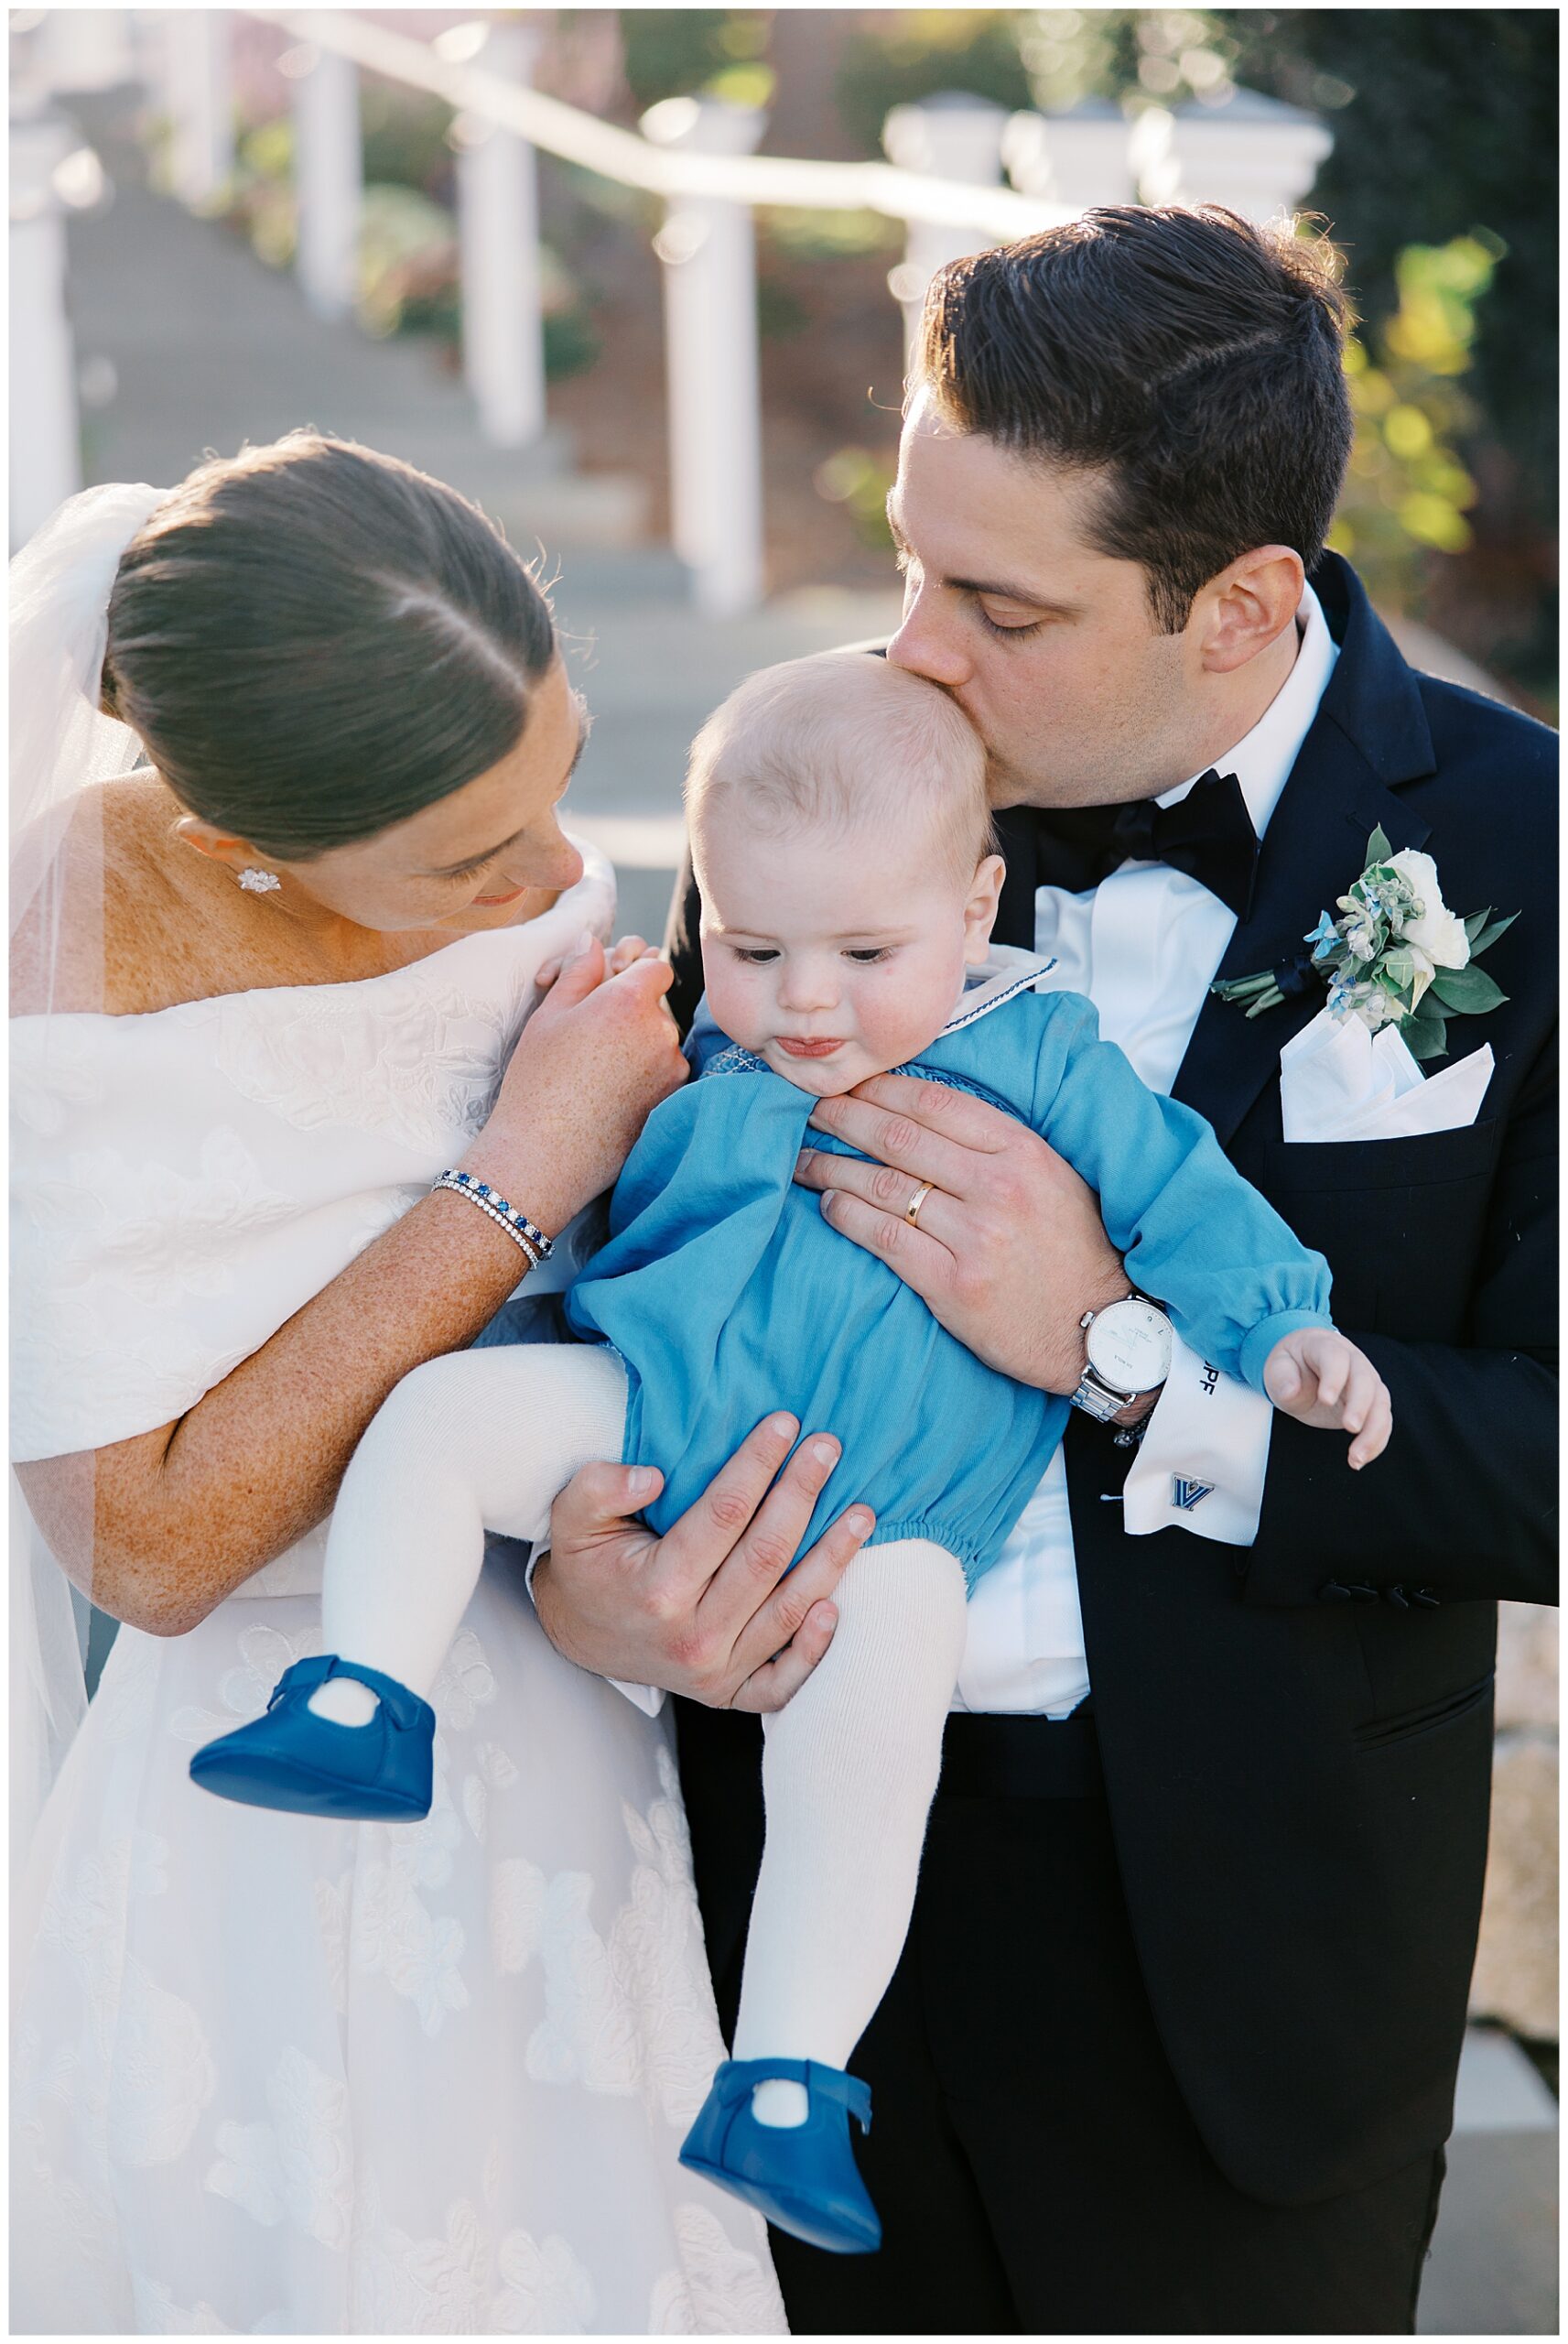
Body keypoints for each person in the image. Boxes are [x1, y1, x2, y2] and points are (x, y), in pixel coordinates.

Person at [534, 206, 1558, 2333]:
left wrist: (1117, 1345)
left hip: (1244, 1980)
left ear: (1237, 604)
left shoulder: (1516, 858)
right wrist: (584, 1580)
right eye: (909, 563)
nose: (914, 651)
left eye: (996, 605)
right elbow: (633, 1244)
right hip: (770, 1918)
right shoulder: (819, 770)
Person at [189, 649, 1390, 2258]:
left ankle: (786, 2081)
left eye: (863, 954)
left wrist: (1283, 1326)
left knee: (862, 1777)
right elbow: (598, 1201)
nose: (805, 1000)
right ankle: (365, 1695)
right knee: (436, 1422)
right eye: (754, 948)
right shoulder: (704, 1042)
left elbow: (1182, 1196)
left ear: (972, 908)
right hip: (650, 1408)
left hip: (891, 1525)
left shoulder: (1037, 1049)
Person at [8, 433, 854, 2335]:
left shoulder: (509, 851)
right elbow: (142, 1548)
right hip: (274, 1822)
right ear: (240, 849)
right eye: (473, 862)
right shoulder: (77, 942)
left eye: (560, 782)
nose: (559, 875)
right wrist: (519, 1175)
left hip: (578, 1758)